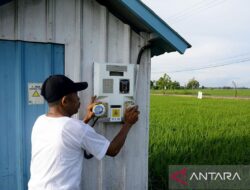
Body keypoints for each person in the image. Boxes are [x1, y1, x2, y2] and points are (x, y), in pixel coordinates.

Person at [28, 75, 140, 190]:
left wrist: (87, 118)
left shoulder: (40, 121)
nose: (79, 99)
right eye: (76, 95)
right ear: (65, 101)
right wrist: (128, 123)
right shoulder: (74, 127)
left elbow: (68, 136)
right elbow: (113, 150)